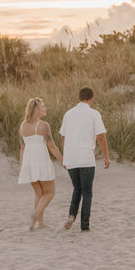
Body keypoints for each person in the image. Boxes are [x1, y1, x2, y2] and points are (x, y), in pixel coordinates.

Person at [59, 86, 110, 232]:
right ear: (91, 99)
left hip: (71, 158)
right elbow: (101, 137)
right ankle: (85, 225)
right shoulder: (94, 114)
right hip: (86, 158)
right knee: (87, 191)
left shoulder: (68, 114)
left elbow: (63, 137)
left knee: (77, 188)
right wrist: (106, 157)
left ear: (78, 98)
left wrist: (65, 157)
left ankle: (71, 215)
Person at [17, 97, 63, 230]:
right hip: (41, 162)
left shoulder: (22, 126)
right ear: (37, 110)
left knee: (39, 194)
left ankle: (40, 223)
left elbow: (22, 148)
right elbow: (52, 146)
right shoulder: (44, 125)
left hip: (28, 163)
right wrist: (62, 160)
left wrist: (21, 166)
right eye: (43, 106)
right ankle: (36, 215)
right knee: (50, 192)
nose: (45, 108)